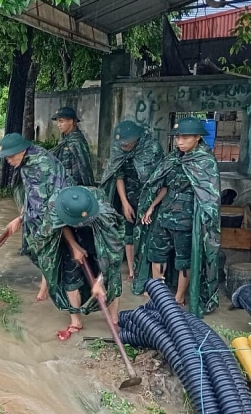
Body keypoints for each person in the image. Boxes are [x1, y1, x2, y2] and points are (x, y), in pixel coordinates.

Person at [134, 117, 221, 317]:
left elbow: (209, 198)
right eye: (178, 137)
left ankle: (179, 297)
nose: (180, 141)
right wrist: (151, 208)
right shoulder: (173, 158)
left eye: (185, 137)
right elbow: (165, 186)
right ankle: (157, 294)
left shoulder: (205, 162)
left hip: (187, 219)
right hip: (165, 214)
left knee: (184, 261)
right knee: (156, 254)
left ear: (198, 137)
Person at [33, 186, 125, 341]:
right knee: (70, 276)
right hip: (69, 234)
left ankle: (114, 320)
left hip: (96, 232)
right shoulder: (56, 203)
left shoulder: (105, 215)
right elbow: (57, 226)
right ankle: (76, 322)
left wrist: (99, 281)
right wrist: (74, 246)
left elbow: (114, 258)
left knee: (111, 281)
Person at [0, 133, 68, 302]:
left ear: (21, 150)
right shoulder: (27, 161)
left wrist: (21, 219)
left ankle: (49, 291)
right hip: (36, 214)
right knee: (35, 249)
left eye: (10, 156)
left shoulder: (42, 164)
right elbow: (32, 195)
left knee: (47, 251)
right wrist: (22, 216)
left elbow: (50, 199)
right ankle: (47, 284)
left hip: (53, 215)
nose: (8, 161)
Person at [100, 120, 164, 280]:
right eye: (120, 143)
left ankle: (146, 271)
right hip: (128, 196)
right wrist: (124, 203)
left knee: (146, 234)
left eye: (127, 144)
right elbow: (118, 175)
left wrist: (151, 204)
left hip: (149, 198)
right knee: (128, 234)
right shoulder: (119, 148)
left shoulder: (152, 148)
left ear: (137, 139)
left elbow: (159, 178)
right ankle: (131, 271)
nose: (123, 147)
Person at [50, 106, 95, 187]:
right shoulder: (64, 140)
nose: (58, 125)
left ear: (71, 121)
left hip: (74, 187)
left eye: (61, 121)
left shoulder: (77, 142)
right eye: (57, 122)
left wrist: (87, 187)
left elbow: (84, 168)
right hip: (62, 183)